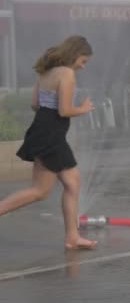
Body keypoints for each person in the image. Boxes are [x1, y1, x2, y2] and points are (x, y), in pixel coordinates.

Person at [0, 35, 97, 249]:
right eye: (83, 61)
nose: (83, 66)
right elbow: (64, 110)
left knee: (73, 183)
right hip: (51, 135)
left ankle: (72, 237)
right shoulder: (68, 74)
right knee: (40, 191)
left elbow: (35, 105)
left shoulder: (46, 72)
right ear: (75, 54)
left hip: (43, 130)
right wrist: (84, 108)